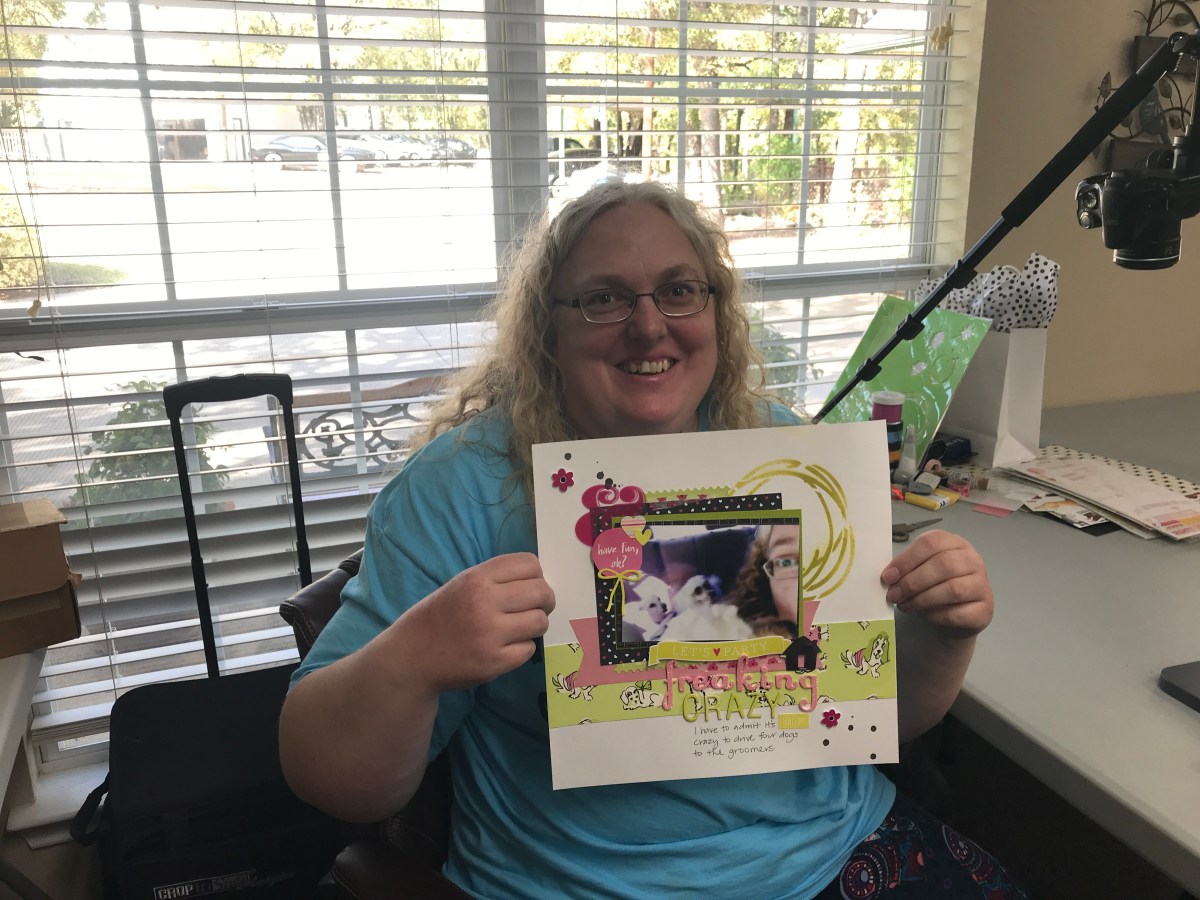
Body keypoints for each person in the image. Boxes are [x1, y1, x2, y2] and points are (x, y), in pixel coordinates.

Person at [279, 180, 1033, 898]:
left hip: (836, 848)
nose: (648, 326)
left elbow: (882, 719)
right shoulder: (461, 488)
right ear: (548, 329)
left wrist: (945, 632)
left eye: (679, 290)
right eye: (604, 298)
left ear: (715, 311)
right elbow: (329, 778)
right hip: (585, 884)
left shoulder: (784, 455)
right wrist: (415, 657)